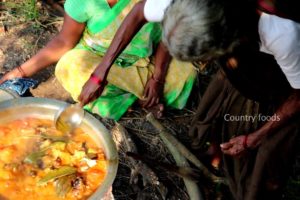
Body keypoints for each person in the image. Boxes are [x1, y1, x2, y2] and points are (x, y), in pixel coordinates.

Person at [142, 0, 300, 199]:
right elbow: (141, 11)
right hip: (249, 65)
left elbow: (297, 98)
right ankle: (214, 156)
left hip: (288, 90)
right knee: (216, 114)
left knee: (266, 159)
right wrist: (100, 75)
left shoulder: (283, 33)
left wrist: (256, 136)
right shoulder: (186, 7)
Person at [0, 0, 197, 120]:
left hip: (148, 58)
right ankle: (141, 99)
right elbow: (64, 41)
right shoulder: (82, 1)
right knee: (70, 67)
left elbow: (167, 35)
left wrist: (158, 78)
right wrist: (20, 72)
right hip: (95, 58)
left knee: (187, 71)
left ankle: (132, 97)